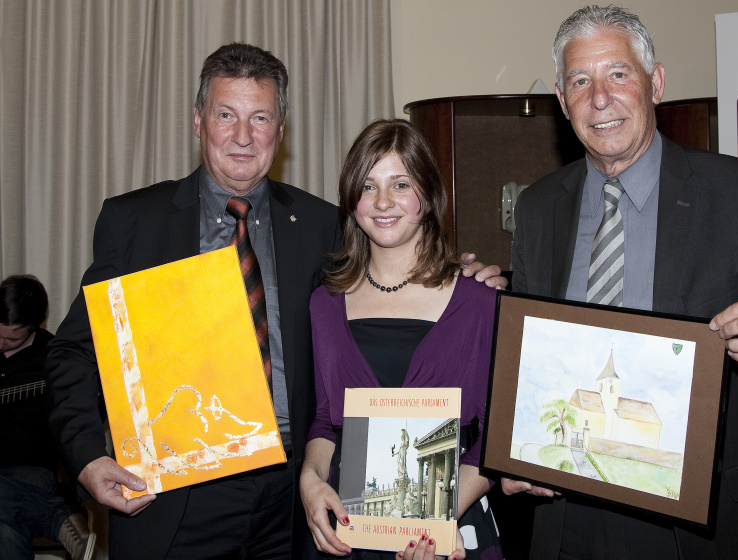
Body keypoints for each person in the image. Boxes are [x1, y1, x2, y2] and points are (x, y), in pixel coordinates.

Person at [46, 44, 504, 560]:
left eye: (260, 118)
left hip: (295, 502)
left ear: (280, 131)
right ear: (198, 121)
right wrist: (86, 457)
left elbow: (392, 266)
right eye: (226, 115)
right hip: (175, 496)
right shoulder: (136, 223)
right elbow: (73, 353)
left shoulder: (323, 225)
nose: (243, 136)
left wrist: (469, 276)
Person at [503, 6, 738, 559]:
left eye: (618, 74)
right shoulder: (538, 208)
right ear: (563, 103)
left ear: (655, 83)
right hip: (568, 519)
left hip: (702, 530)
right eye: (579, 81)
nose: (599, 98)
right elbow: (532, 363)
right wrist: (516, 449)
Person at [299, 119, 503, 560]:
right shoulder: (324, 305)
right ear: (352, 200)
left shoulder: (479, 302)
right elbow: (323, 420)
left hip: (451, 533)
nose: (383, 201)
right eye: (368, 186)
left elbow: (496, 438)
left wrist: (433, 520)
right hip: (349, 534)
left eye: (401, 183)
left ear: (427, 196)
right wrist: (310, 479)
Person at [0, 275, 95, 560]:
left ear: (33, 327)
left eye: (10, 338)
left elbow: (81, 416)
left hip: (29, 469)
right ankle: (55, 518)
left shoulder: (54, 360)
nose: (0, 343)